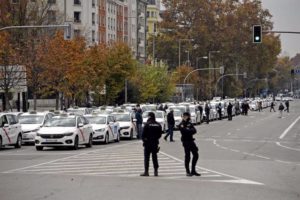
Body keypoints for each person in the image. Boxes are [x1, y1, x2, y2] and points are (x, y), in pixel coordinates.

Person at [140, 112, 162, 177]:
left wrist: (145, 141)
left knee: (147, 158)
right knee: (154, 157)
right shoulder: (158, 125)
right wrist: (155, 139)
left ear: (149, 117)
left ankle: (146, 172)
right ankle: (156, 171)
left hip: (147, 143)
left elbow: (143, 135)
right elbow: (160, 135)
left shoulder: (147, 124)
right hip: (155, 143)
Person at [178, 112, 200, 177]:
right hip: (185, 141)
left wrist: (188, 130)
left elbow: (194, 130)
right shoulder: (181, 124)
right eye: (185, 116)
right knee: (187, 156)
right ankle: (187, 171)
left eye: (187, 116)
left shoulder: (190, 123)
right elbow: (184, 132)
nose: (187, 117)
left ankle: (193, 170)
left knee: (196, 154)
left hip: (191, 141)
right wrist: (189, 130)